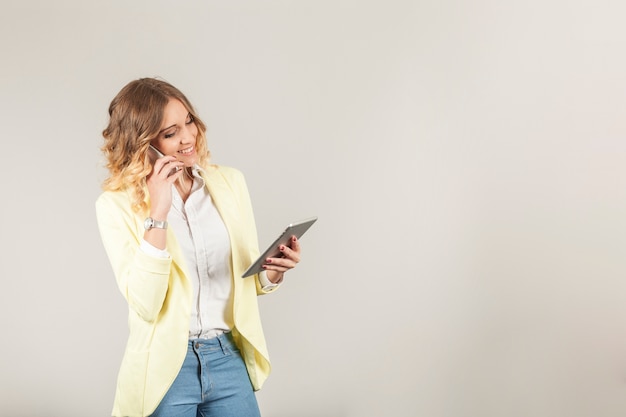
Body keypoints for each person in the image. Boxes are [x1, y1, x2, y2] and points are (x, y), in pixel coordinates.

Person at [96, 77, 302, 417]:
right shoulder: (116, 206)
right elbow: (146, 305)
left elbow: (246, 281)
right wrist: (158, 212)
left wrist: (273, 274)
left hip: (227, 358)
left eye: (189, 121)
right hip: (166, 367)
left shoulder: (230, 183)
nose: (188, 137)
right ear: (142, 142)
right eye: (170, 132)